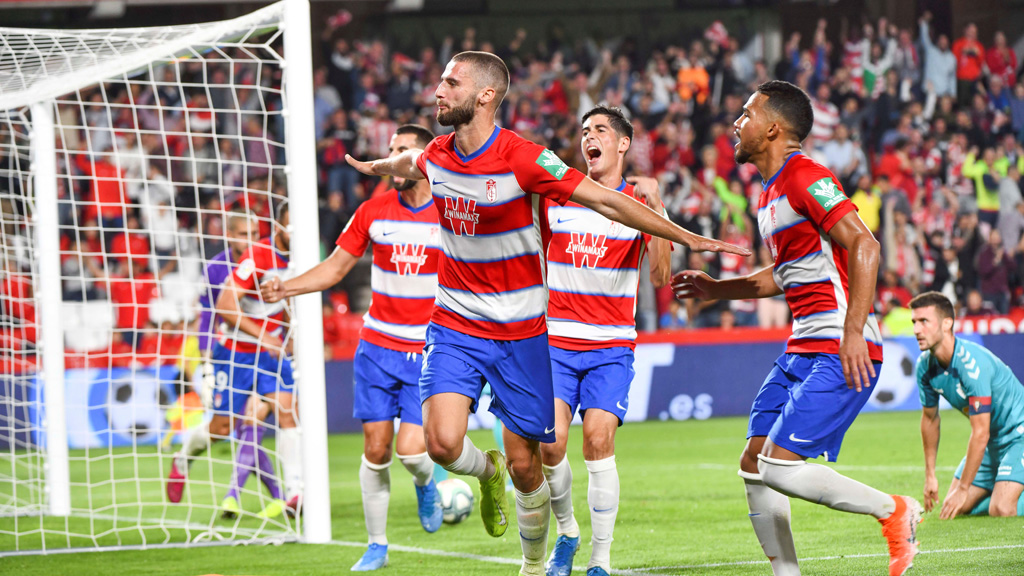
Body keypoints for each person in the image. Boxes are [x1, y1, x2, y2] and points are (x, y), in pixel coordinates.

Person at [345, 51, 747, 576]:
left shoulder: (526, 159)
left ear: (486, 95)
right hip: (461, 324)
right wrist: (377, 166)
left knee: (531, 461)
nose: (438, 90)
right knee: (442, 444)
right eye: (440, 80)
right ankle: (495, 480)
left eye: (450, 82)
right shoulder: (439, 153)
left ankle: (543, 562)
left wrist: (681, 233)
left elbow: (612, 206)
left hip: (530, 335)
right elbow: (411, 162)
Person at [672, 80, 921, 576]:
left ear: (772, 128)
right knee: (753, 462)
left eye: (747, 114)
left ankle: (894, 510)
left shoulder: (806, 175)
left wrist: (854, 331)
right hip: (802, 348)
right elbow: (785, 274)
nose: (736, 124)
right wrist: (718, 289)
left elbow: (865, 245)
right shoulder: (770, 194)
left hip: (841, 347)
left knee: (778, 467)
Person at [261, 125, 443, 571]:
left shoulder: (449, 212)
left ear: (424, 158)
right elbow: (335, 268)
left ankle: (426, 485)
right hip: (377, 347)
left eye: (403, 150)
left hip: (427, 352)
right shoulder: (373, 210)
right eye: (391, 148)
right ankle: (377, 545)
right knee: (376, 451)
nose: (392, 156)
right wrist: (286, 287)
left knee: (413, 453)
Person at [538, 105, 670, 576]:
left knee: (598, 439)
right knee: (550, 446)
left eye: (599, 130)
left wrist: (656, 209)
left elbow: (661, 275)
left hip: (610, 347)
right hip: (556, 343)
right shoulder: (558, 197)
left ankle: (600, 560)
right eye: (584, 131)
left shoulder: (637, 202)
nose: (588, 137)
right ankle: (568, 532)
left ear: (622, 143)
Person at [168, 211, 286, 519]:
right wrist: (206, 360)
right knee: (223, 428)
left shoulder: (271, 257)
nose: (249, 240)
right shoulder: (217, 267)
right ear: (230, 235)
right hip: (231, 354)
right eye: (243, 234)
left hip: (267, 354)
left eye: (254, 234)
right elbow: (209, 313)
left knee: (255, 419)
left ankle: (242, 496)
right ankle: (184, 456)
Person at [910, 291, 1024, 518]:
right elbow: (930, 419)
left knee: (1001, 508)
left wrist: (963, 488)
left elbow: (980, 432)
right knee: (954, 508)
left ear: (947, 323)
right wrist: (930, 475)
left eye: (924, 321)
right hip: (992, 443)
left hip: (1018, 435)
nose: (916, 330)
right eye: (914, 322)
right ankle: (1005, 485)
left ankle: (1005, 491)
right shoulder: (924, 367)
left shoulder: (971, 365)